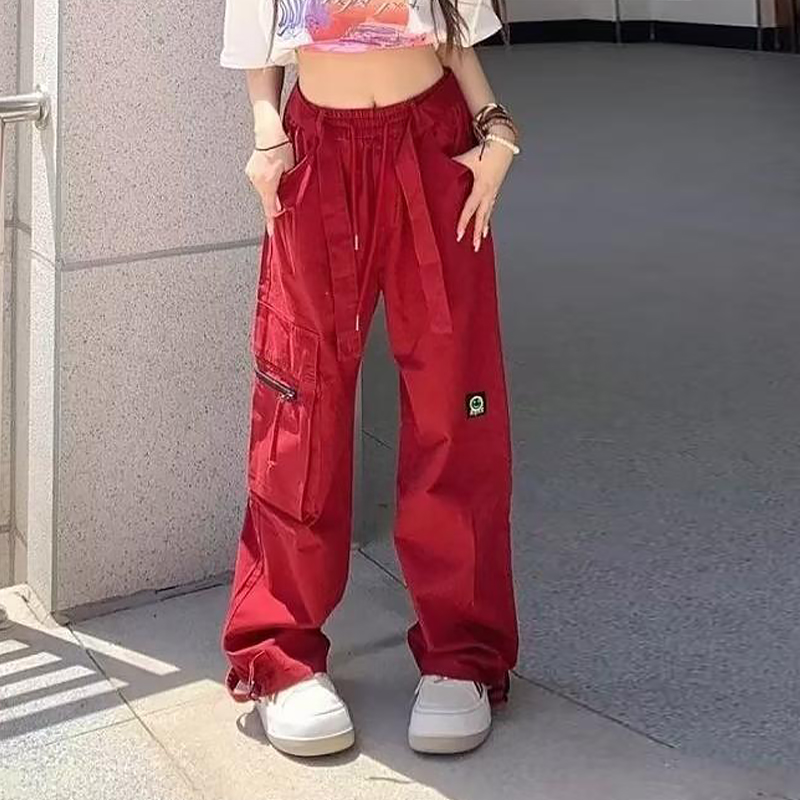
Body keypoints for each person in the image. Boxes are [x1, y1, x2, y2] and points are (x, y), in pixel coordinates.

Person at [218, 0, 521, 758]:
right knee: (299, 401)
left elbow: (453, 33)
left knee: (455, 400)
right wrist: (267, 133)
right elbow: (256, 28)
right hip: (317, 148)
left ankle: (461, 653)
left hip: (435, 142)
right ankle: (282, 650)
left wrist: (497, 130)